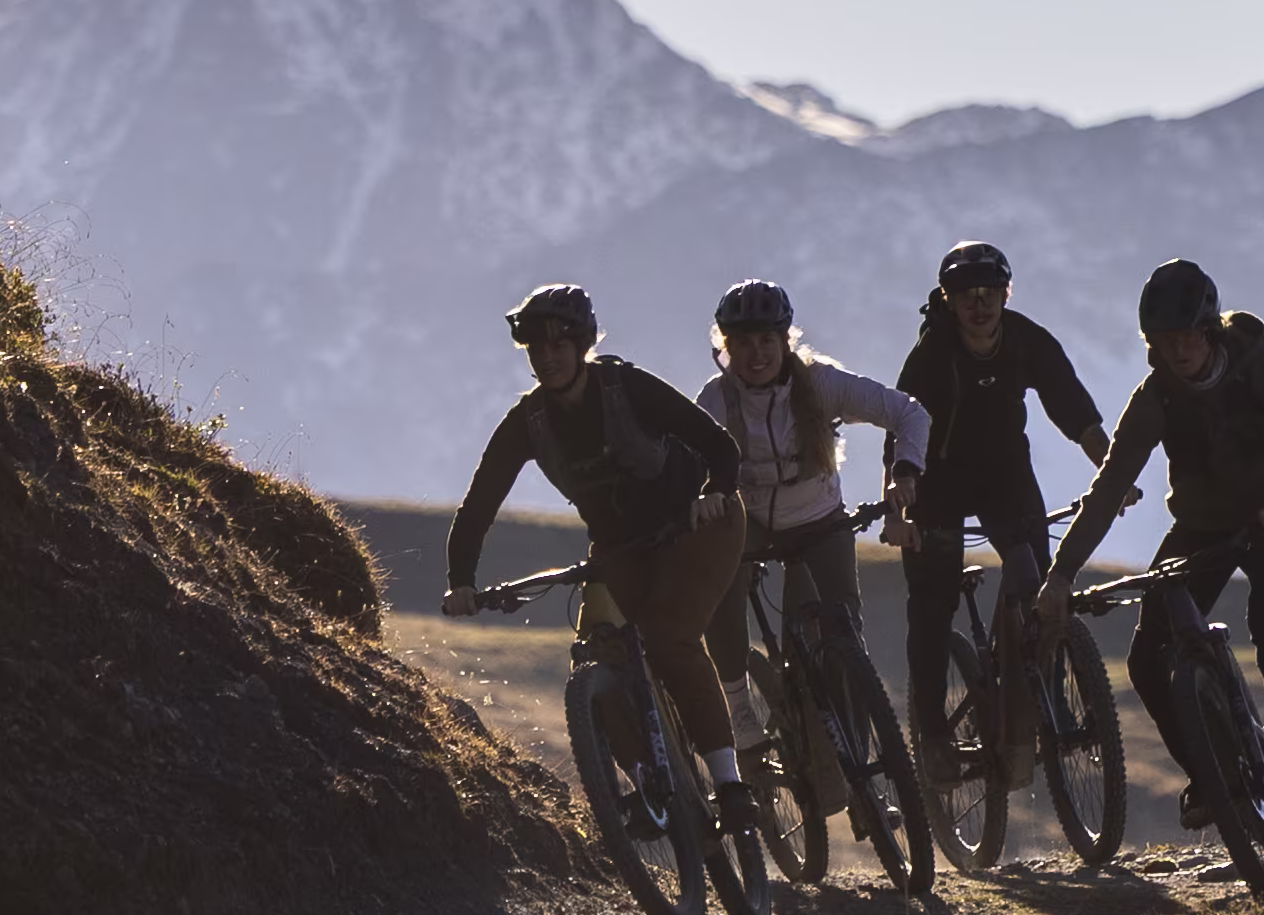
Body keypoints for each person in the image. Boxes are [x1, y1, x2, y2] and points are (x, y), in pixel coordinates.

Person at [443, 282, 760, 840]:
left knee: (670, 638)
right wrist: (462, 581)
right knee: (599, 656)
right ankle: (649, 788)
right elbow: (479, 506)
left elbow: (718, 443)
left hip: (698, 525)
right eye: (536, 350)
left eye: (558, 345)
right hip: (623, 549)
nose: (547, 357)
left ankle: (731, 786)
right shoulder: (529, 422)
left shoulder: (626, 386)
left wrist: (717, 490)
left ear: (583, 344)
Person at [1046, 256, 1264, 839]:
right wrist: (1060, 576)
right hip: (1200, 529)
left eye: (1185, 338)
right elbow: (1106, 492)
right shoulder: (1156, 398)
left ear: (1210, 332)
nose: (1176, 352)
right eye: (1163, 341)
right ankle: (1211, 779)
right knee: (1147, 660)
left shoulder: (1262, 369)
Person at [891, 237, 1107, 789]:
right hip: (937, 488)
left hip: (1006, 480)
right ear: (949, 299)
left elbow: (1070, 403)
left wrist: (1108, 466)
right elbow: (902, 432)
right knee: (932, 606)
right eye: (967, 295)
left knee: (1040, 587)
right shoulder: (932, 355)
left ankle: (1033, 706)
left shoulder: (1026, 340)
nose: (980, 304)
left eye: (990, 293)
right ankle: (934, 734)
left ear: (1007, 294)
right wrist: (903, 503)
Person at [692, 276, 923, 737]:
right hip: (750, 519)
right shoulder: (714, 401)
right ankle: (738, 707)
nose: (757, 354)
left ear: (785, 341)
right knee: (719, 588)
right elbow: (683, 463)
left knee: (839, 635)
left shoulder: (820, 383)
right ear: (725, 348)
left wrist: (905, 473)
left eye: (767, 341)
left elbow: (910, 413)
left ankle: (855, 762)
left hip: (817, 516)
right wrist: (700, 500)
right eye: (743, 343)